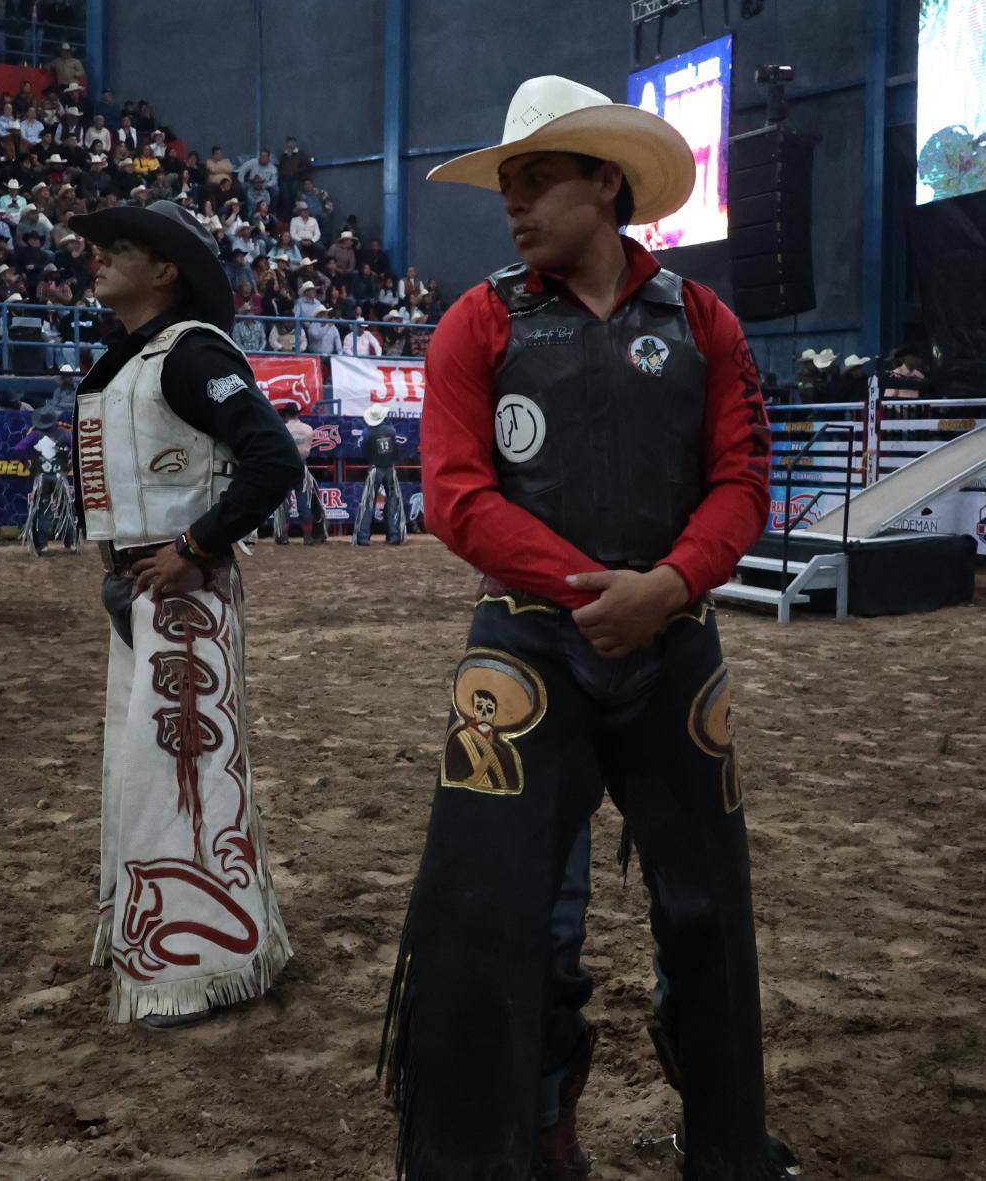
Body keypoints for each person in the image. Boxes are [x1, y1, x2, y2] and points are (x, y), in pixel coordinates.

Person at [381, 75, 796, 1179]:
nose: (512, 207)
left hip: (666, 640)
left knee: (709, 905)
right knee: (492, 914)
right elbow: (455, 497)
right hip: (527, 644)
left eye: (534, 181)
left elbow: (741, 480)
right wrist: (603, 591)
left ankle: (724, 1142)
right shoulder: (476, 321)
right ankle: (500, 1147)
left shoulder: (704, 321)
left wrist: (665, 587)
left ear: (603, 184)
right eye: (506, 185)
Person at [65, 197, 304, 1030]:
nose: (96, 258)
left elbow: (274, 459)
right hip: (146, 584)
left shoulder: (190, 353)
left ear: (164, 272)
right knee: (152, 765)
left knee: (185, 769)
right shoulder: (138, 359)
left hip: (181, 588)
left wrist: (196, 542)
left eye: (116, 249)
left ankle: (201, 963)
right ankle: (168, 940)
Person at [271, 400, 325, 545]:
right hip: (302, 467)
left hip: (286, 467)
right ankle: (307, 537)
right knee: (304, 503)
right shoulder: (308, 429)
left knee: (284, 503)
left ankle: (283, 536)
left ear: (287, 414)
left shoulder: (282, 428)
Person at [354, 402, 406, 548]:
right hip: (390, 469)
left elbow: (363, 451)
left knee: (369, 501)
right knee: (392, 500)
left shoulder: (367, 432)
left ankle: (363, 537)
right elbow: (396, 450)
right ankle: (394, 535)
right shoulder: (391, 430)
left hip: (375, 469)